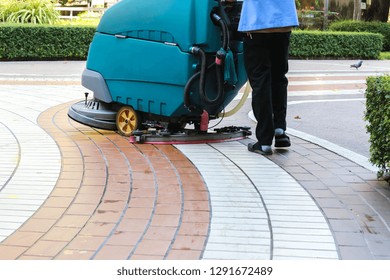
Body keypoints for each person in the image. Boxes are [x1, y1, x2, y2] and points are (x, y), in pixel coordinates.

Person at [238, 0, 299, 155]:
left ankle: (264, 141)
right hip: (283, 22)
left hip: (257, 24)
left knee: (260, 81)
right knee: (279, 78)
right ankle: (279, 130)